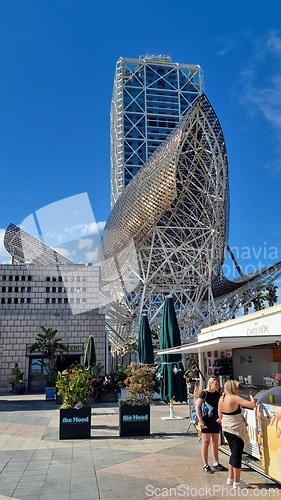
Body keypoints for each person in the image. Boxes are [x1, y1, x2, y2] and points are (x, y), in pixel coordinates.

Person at [218, 379, 256, 490]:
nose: (238, 389)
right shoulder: (234, 398)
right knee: (237, 456)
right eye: (237, 387)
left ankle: (231, 478)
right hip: (236, 430)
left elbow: (220, 413)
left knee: (233, 453)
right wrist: (251, 396)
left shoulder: (222, 398)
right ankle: (237, 482)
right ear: (233, 388)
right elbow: (252, 405)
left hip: (226, 428)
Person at [195, 376, 227, 474]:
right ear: (210, 384)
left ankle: (216, 462)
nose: (217, 385)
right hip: (205, 419)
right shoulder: (204, 393)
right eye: (215, 383)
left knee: (215, 441)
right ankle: (205, 464)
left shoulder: (219, 394)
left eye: (218, 383)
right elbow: (197, 406)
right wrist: (200, 420)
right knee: (206, 441)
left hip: (215, 420)